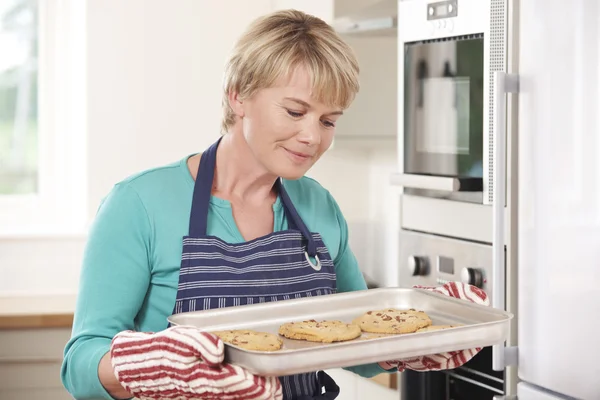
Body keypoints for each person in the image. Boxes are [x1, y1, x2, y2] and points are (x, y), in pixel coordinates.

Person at [61, 9, 488, 400]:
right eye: (294, 111)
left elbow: (357, 342)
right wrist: (147, 364)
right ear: (238, 96)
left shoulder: (318, 207)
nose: (312, 137)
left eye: (328, 121)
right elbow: (80, 365)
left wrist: (418, 341)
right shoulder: (139, 205)